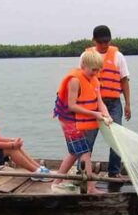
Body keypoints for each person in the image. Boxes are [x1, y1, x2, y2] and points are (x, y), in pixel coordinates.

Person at [54, 49, 112, 194]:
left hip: (79, 119)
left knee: (74, 152)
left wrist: (106, 115)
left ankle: (56, 182)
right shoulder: (74, 80)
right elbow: (72, 106)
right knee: (85, 153)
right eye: (93, 69)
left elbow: (100, 102)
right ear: (84, 65)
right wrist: (94, 114)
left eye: (98, 70)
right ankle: (91, 188)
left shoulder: (95, 79)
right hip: (69, 120)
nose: (96, 72)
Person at [79, 25, 131, 177]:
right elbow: (80, 79)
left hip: (113, 103)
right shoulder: (86, 56)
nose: (104, 45)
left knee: (116, 139)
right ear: (94, 40)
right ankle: (81, 171)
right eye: (101, 42)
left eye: (107, 42)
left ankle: (114, 172)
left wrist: (128, 104)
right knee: (87, 139)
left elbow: (124, 80)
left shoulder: (118, 56)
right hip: (91, 103)